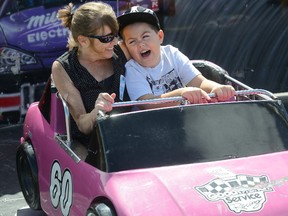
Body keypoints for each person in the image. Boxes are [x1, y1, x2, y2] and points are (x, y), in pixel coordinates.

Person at [117, 6, 235, 109]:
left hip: (184, 119)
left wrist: (217, 88)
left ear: (160, 36)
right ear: (126, 47)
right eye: (132, 42)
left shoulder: (172, 54)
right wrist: (181, 93)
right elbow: (147, 102)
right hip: (152, 126)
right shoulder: (132, 69)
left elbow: (200, 82)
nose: (140, 44)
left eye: (145, 36)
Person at [52, 2, 130, 145]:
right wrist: (97, 111)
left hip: (130, 133)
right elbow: (82, 125)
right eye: (106, 38)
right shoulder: (64, 67)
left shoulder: (122, 50)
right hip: (94, 146)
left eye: (115, 34)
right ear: (83, 40)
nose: (115, 41)